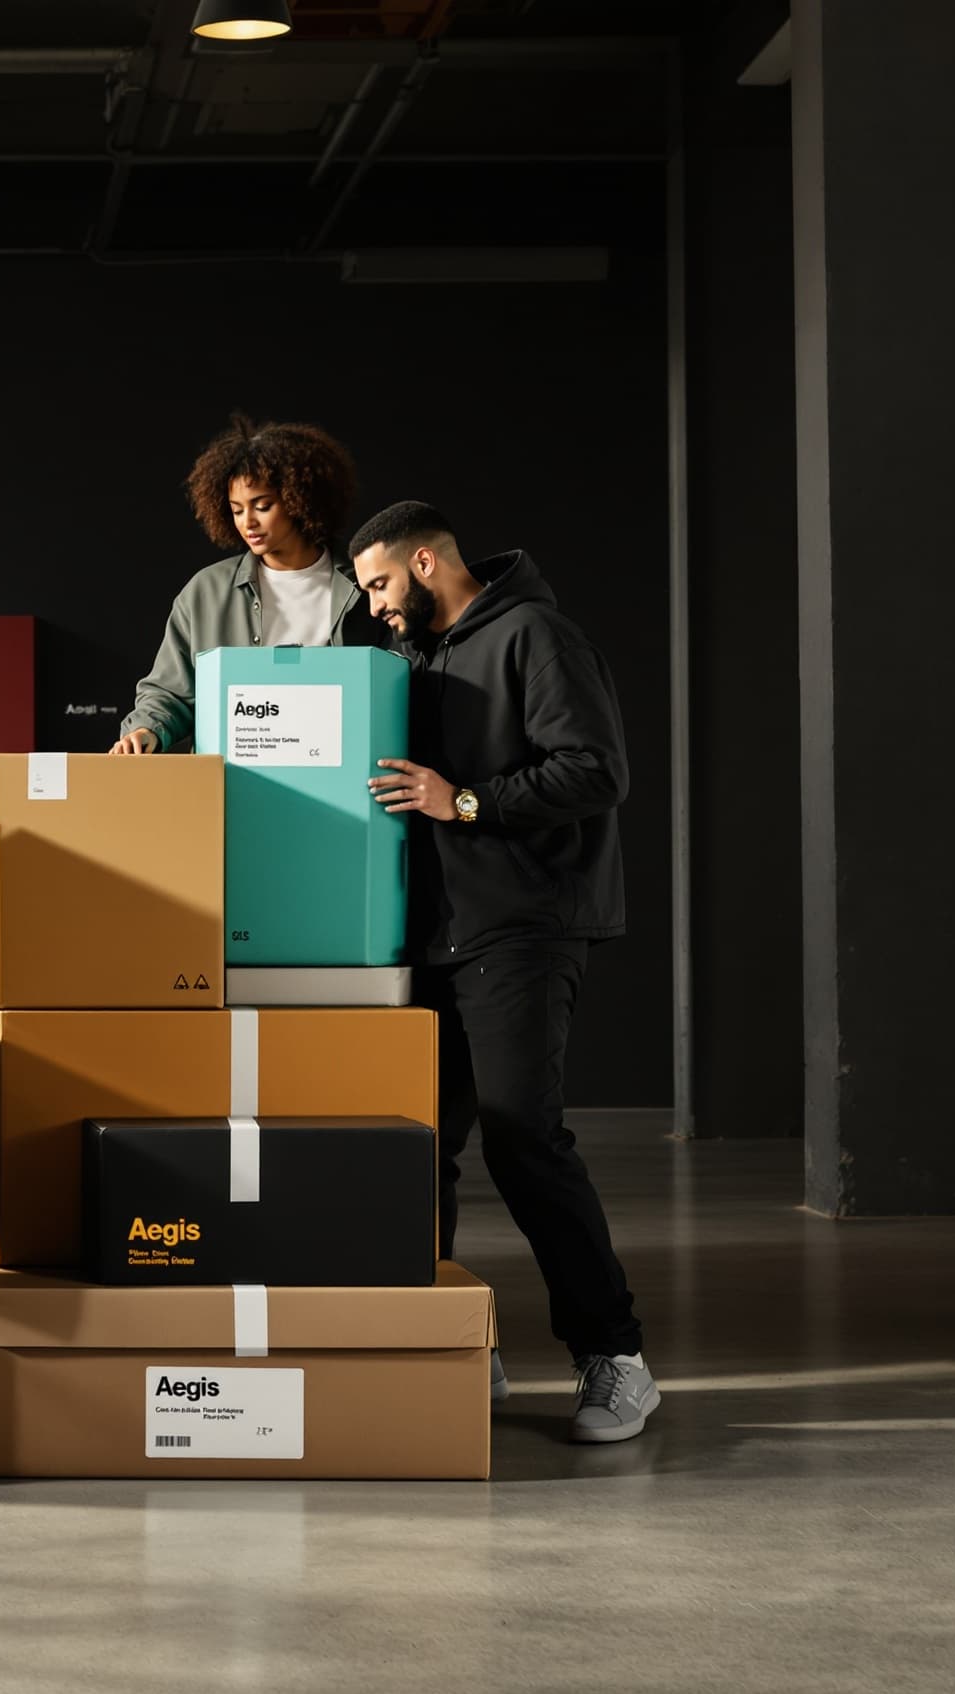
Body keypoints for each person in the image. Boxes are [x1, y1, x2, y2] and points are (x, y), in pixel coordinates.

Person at [347, 500, 657, 1445]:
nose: (374, 606)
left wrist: (466, 799)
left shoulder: (534, 636)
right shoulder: (422, 661)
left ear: (430, 560)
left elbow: (596, 771)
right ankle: (454, 1344)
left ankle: (619, 1360)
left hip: (524, 928)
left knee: (525, 1138)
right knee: (421, 1146)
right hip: (439, 937)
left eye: (381, 583)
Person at [112, 412, 387, 755]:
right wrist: (146, 729)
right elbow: (170, 692)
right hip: (236, 791)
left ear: (299, 499)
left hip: (340, 782)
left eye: (262, 506)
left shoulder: (362, 589)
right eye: (237, 510)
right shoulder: (205, 593)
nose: (248, 523)